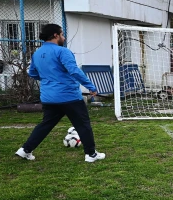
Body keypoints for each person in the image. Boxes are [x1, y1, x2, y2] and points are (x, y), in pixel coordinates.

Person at [15, 24, 106, 163]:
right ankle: (91, 154)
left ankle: (25, 150)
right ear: (55, 35)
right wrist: (91, 87)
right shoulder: (62, 51)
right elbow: (74, 70)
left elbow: (32, 72)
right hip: (69, 97)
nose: (63, 37)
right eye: (62, 34)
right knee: (83, 124)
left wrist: (49, 80)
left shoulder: (37, 53)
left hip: (48, 98)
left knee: (46, 124)